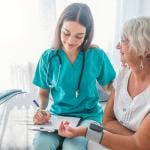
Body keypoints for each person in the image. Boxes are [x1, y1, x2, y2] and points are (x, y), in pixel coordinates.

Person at [32, 2, 116, 150]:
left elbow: (111, 87)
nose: (71, 41)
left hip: (89, 117)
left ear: (87, 35)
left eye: (79, 36)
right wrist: (40, 110)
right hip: (57, 116)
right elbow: (43, 94)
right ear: (59, 29)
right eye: (66, 33)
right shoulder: (48, 57)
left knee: (73, 146)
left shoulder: (96, 55)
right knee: (41, 144)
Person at [58, 16, 150, 150]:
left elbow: (138, 145)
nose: (118, 46)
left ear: (145, 50)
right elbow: (106, 121)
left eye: (124, 40)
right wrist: (133, 137)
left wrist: (85, 131)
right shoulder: (123, 75)